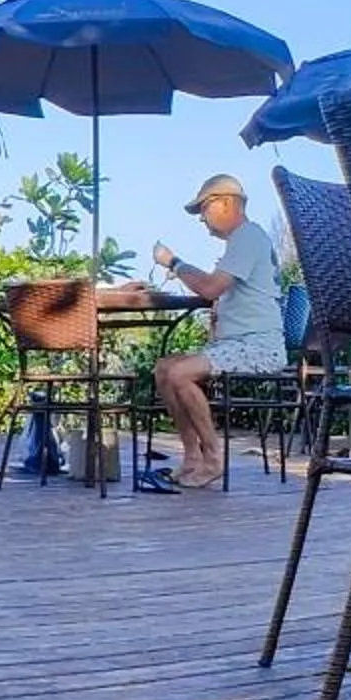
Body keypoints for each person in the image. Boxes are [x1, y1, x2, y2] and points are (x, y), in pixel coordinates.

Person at [146, 173, 288, 492]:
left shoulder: (249, 236)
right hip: (237, 343)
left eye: (203, 209)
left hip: (258, 346)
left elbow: (210, 288)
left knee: (179, 374)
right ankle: (192, 457)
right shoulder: (240, 243)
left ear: (225, 203)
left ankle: (213, 458)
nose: (201, 220)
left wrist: (173, 262)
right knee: (164, 368)